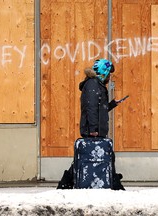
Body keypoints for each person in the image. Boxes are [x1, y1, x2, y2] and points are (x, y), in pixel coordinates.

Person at [57, 59, 125, 190]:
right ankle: (115, 184)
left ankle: (66, 183)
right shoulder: (93, 84)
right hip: (93, 130)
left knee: (88, 156)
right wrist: (93, 128)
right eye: (109, 74)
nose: (110, 77)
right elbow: (91, 108)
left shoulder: (95, 84)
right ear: (103, 72)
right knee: (105, 156)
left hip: (96, 129)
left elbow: (99, 109)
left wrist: (112, 104)